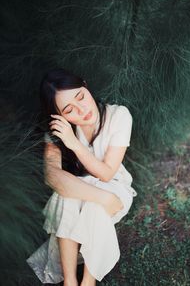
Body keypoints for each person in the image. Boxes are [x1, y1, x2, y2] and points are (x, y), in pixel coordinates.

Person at [26, 68, 137, 286]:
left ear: (85, 85)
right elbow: (52, 177)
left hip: (116, 189)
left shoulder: (118, 116)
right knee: (69, 197)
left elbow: (106, 174)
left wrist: (74, 143)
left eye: (81, 97)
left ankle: (88, 281)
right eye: (69, 110)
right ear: (58, 116)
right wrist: (102, 198)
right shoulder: (59, 132)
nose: (82, 110)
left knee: (86, 204)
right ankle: (70, 282)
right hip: (89, 195)